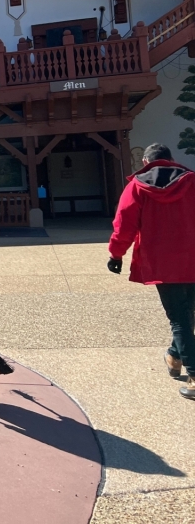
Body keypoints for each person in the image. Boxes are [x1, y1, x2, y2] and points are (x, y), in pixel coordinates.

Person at [108, 143, 195, 400]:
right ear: (171, 159)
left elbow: (124, 223)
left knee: (179, 318)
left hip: (161, 261)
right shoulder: (191, 181)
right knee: (187, 314)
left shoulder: (137, 186)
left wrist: (116, 254)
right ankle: (174, 356)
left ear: (146, 162)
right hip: (192, 257)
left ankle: (192, 373)